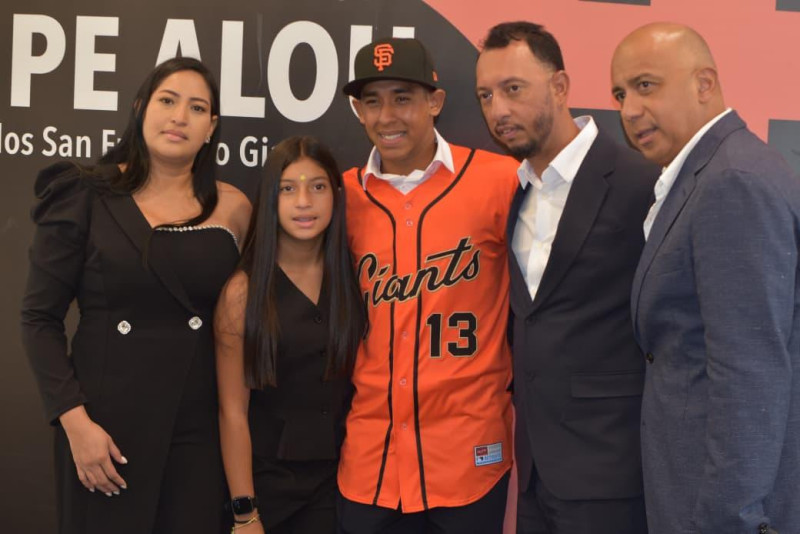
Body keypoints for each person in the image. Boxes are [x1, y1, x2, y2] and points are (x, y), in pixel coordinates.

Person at [20, 57, 251, 534]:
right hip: (104, 431)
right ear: (140, 107)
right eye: (167, 101)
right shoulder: (83, 194)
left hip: (197, 432)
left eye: (196, 107)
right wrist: (75, 424)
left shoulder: (234, 207)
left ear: (212, 127)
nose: (179, 116)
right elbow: (38, 319)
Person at [611, 22, 800, 534]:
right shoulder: (710, 172)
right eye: (621, 93)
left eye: (646, 85)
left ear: (705, 84)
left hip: (715, 508)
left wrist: (728, 518)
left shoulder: (731, 181)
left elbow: (749, 372)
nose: (629, 110)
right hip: (690, 490)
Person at [475, 22, 658, 534]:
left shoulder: (640, 182)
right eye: (486, 96)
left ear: (559, 86)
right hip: (535, 475)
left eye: (513, 89)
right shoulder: (516, 193)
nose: (498, 111)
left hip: (614, 473)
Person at [335, 37, 519, 534]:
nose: (386, 116)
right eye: (371, 101)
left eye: (403, 98)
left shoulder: (500, 181)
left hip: (468, 457)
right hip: (370, 461)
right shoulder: (342, 197)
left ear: (435, 102)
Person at [214, 136, 365, 534]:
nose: (303, 202)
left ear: (335, 196)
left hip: (341, 487)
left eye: (317, 187)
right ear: (270, 199)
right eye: (288, 188)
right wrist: (245, 513)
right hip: (267, 489)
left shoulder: (355, 280)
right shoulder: (242, 293)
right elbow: (232, 412)